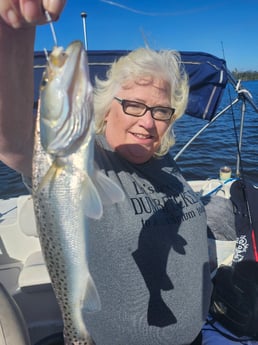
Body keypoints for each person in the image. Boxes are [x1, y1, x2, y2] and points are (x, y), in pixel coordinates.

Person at [0, 1, 212, 344]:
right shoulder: (87, 159)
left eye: (160, 111)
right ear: (104, 105)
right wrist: (14, 29)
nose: (147, 122)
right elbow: (13, 143)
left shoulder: (165, 164)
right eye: (134, 105)